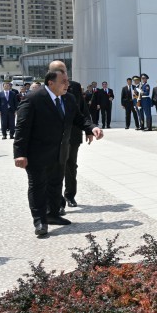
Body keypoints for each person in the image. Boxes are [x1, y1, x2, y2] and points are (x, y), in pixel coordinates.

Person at [13, 69, 103, 237]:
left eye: (67, 81)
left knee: (55, 184)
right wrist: (19, 153)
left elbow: (79, 118)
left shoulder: (68, 98)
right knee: (38, 186)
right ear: (50, 83)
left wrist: (92, 127)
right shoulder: (33, 98)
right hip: (37, 154)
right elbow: (22, 128)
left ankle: (52, 214)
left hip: (60, 151)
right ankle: (39, 220)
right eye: (63, 81)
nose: (67, 85)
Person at [49, 60, 90, 211]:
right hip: (53, 137)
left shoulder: (75, 87)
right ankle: (57, 201)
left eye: (65, 70)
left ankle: (70, 195)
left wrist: (89, 129)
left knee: (71, 165)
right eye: (61, 71)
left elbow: (82, 110)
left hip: (73, 134)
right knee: (56, 167)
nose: (65, 74)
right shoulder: (47, 89)